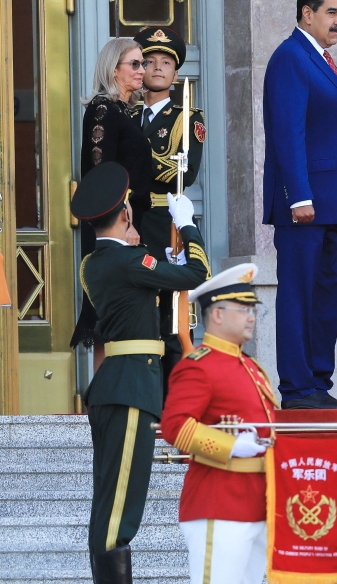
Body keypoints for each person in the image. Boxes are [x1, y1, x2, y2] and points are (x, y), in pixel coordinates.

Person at [71, 162, 210, 583]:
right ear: (126, 214)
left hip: (115, 386)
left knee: (109, 502)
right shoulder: (132, 261)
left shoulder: (95, 264)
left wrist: (161, 263)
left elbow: (146, 290)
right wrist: (188, 228)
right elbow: (197, 274)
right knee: (119, 514)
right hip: (131, 390)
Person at [262, 0, 337, 409]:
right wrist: (298, 196)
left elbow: (336, 138)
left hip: (329, 206)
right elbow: (287, 133)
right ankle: (298, 390)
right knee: (299, 296)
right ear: (307, 13)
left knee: (323, 297)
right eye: (332, 13)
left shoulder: (319, 58)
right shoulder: (290, 57)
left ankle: (318, 384)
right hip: (304, 205)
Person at [160, 263, 276, 584]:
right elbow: (175, 426)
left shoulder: (251, 367)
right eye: (243, 308)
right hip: (218, 502)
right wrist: (231, 446)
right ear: (218, 315)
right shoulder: (199, 366)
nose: (252, 316)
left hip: (256, 500)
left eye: (253, 308)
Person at [132, 26, 208, 398]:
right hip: (132, 224)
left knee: (174, 318)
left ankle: (177, 403)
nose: (157, 68)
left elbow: (184, 171)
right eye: (149, 61)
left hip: (167, 224)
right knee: (139, 316)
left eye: (166, 63)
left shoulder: (187, 117)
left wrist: (135, 160)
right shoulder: (127, 117)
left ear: (176, 74)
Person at [70, 38, 154, 350]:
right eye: (135, 63)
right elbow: (101, 177)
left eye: (143, 64)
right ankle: (103, 399)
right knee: (107, 323)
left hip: (127, 227)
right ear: (113, 69)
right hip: (114, 230)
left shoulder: (122, 112)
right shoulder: (102, 110)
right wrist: (124, 224)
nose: (142, 70)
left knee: (119, 320)